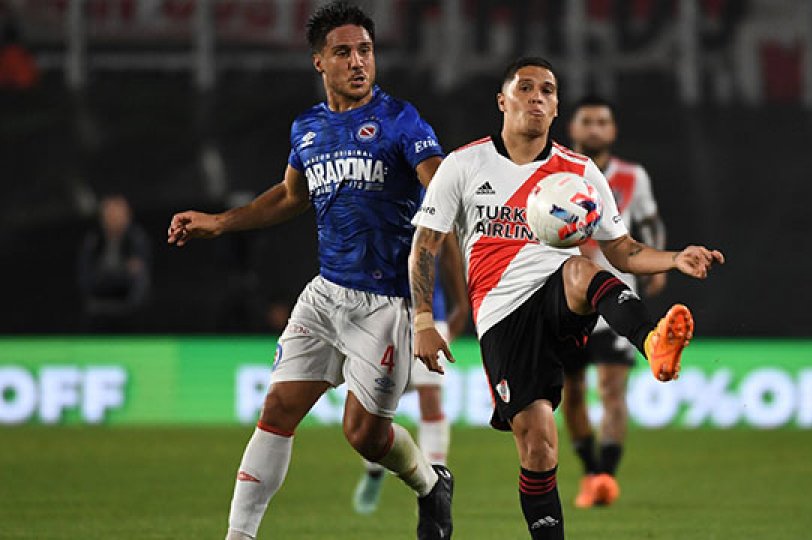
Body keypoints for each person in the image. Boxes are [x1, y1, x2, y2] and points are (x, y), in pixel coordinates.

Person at [167, 3, 454, 539]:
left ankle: (430, 484)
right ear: (319, 62)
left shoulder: (400, 120)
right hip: (325, 296)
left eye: (365, 50)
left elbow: (440, 189)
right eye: (343, 52)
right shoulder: (308, 128)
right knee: (277, 409)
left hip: (385, 302)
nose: (357, 62)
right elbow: (290, 196)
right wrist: (218, 223)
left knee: (364, 436)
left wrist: (424, 311)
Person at [408, 57, 724, 539]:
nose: (537, 97)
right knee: (538, 446)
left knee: (581, 267)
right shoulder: (464, 165)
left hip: (558, 293)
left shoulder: (578, 173)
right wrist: (423, 320)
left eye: (548, 91)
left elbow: (623, 250)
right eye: (526, 88)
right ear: (502, 100)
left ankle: (653, 342)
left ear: (556, 108)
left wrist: (674, 258)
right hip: (501, 315)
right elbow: (425, 245)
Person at [560, 95, 668, 508]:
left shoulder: (632, 176)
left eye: (602, 121)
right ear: (573, 128)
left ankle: (605, 475)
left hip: (614, 299)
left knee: (611, 389)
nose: (594, 128)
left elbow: (651, 220)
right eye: (587, 121)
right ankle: (590, 470)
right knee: (571, 393)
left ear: (613, 130)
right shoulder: (556, 173)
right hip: (566, 299)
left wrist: (656, 264)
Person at [353, 252, 469, 514]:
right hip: (383, 314)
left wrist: (461, 303)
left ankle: (434, 488)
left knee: (431, 397)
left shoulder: (435, 211)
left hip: (430, 315)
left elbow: (448, 254)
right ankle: (373, 471)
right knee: (373, 402)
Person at [78, 194, 151, 332]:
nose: (113, 219)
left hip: (128, 306)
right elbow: (86, 276)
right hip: (97, 303)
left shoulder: (136, 240)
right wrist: (121, 273)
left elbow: (139, 278)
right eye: (109, 215)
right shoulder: (93, 240)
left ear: (127, 217)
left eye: (118, 215)